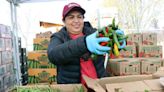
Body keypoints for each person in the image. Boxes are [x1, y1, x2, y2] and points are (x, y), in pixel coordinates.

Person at [47, 2, 126, 84]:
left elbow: (110, 45)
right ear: (64, 21)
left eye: (79, 17)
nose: (76, 21)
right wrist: (85, 43)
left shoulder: (95, 33)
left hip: (99, 85)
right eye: (71, 17)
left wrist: (118, 41)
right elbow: (53, 55)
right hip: (75, 88)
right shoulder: (58, 37)